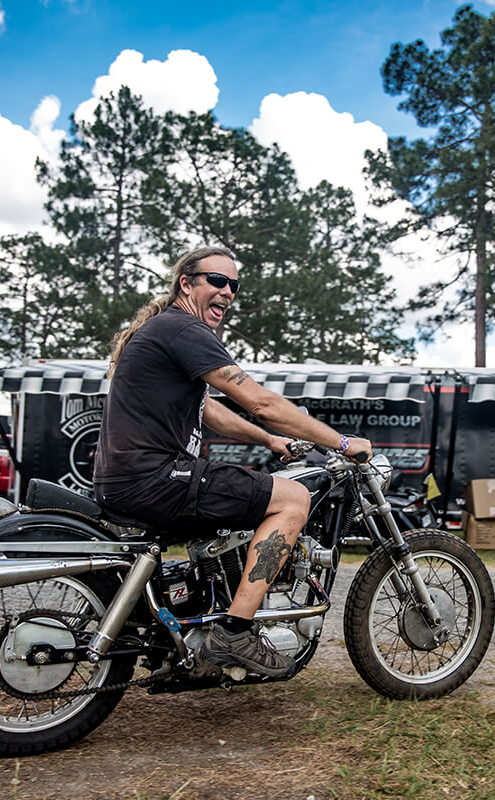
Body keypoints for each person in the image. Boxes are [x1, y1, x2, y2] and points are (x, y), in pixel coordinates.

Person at [92, 246, 373, 678]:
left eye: (234, 285)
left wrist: (270, 441)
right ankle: (235, 633)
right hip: (156, 476)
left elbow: (209, 410)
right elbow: (261, 402)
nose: (227, 292)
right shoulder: (183, 329)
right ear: (186, 283)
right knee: (293, 498)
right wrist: (342, 441)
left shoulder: (164, 330)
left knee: (248, 504)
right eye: (217, 281)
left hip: (128, 479)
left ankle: (205, 615)